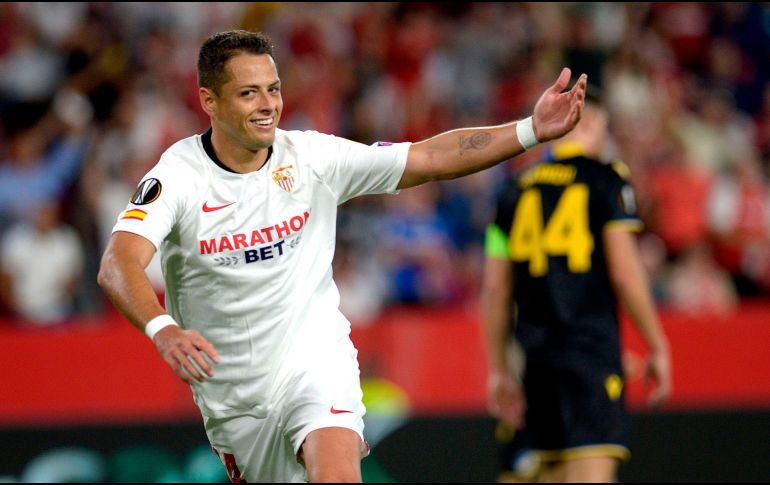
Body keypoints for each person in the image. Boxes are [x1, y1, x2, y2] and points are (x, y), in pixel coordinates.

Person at [97, 29, 587, 483]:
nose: (268, 105)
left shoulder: (312, 158)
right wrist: (163, 331)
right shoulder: (180, 176)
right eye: (249, 93)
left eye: (274, 88)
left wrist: (529, 130)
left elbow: (427, 158)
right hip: (237, 400)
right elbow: (118, 264)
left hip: (315, 360)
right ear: (209, 100)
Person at [482, 92, 672, 482]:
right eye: (604, 127)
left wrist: (500, 369)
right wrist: (657, 344)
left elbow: (496, 292)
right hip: (589, 355)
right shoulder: (606, 179)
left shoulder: (511, 192)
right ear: (587, 121)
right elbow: (625, 272)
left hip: (534, 361)